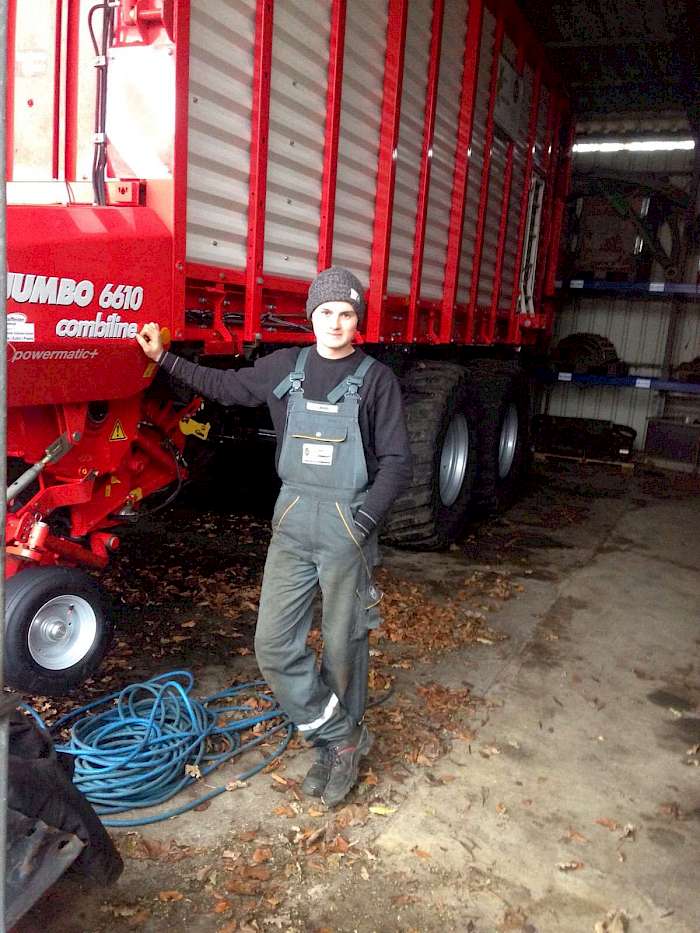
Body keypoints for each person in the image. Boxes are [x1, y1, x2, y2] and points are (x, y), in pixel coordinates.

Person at [136, 267, 411, 807]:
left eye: (347, 314)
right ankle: (340, 734)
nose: (336, 323)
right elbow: (224, 386)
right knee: (274, 645)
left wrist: (363, 522)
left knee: (344, 644)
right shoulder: (286, 366)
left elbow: (399, 461)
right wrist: (163, 358)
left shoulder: (377, 380)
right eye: (326, 312)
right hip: (292, 521)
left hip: (347, 525)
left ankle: (337, 750)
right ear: (311, 317)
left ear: (358, 321)